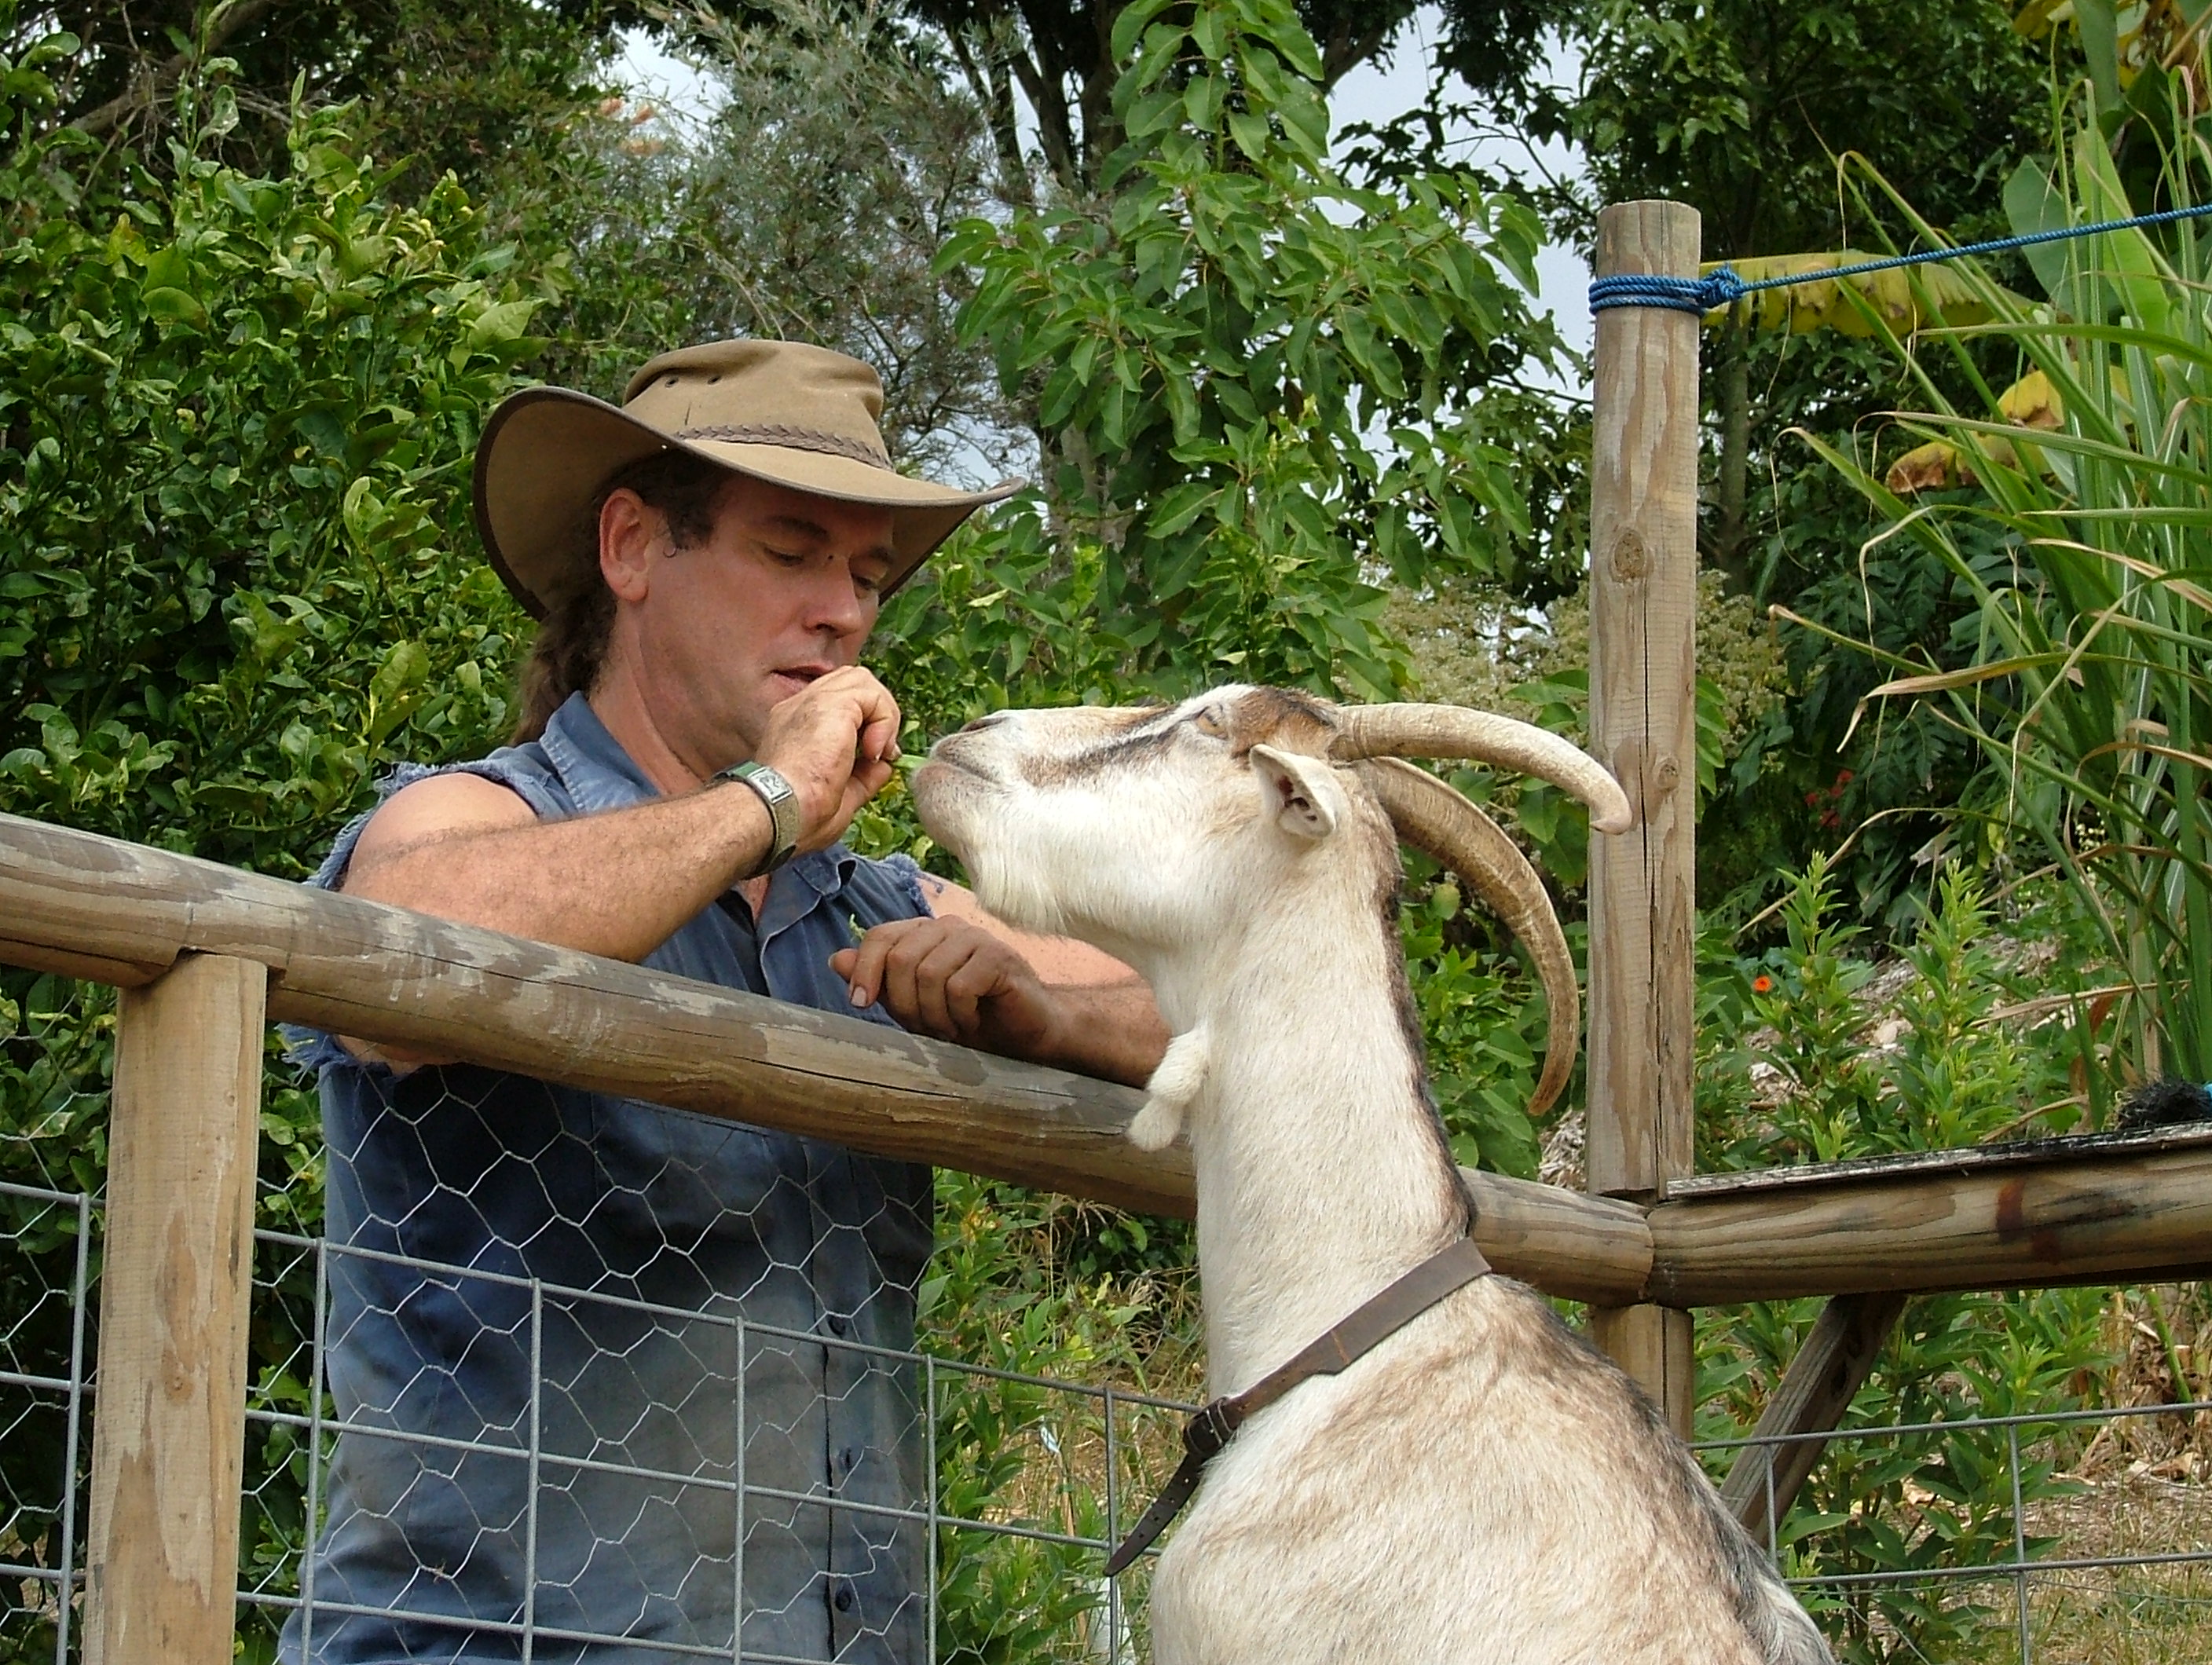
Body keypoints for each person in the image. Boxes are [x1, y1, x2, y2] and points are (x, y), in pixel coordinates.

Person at [279, 338, 1168, 1664]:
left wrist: (1043, 1015)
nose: (845, 612)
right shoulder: (475, 815)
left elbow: (1201, 1024)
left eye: (867, 576)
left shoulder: (873, 905)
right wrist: (769, 805)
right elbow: (404, 950)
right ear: (632, 547)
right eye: (792, 552)